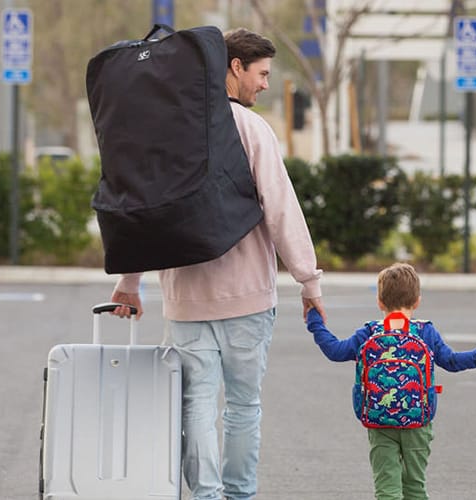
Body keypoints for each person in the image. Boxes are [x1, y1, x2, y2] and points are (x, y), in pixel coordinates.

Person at [110, 28, 326, 500]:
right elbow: (281, 207)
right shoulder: (249, 129)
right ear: (234, 67)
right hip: (248, 298)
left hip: (186, 299)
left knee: (196, 405)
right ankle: (239, 495)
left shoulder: (169, 127)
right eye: (262, 73)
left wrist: (130, 282)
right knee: (244, 407)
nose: (265, 84)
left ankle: (206, 495)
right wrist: (309, 283)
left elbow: (142, 207)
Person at [306, 262, 476, 500]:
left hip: (379, 422)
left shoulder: (369, 333)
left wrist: (314, 319)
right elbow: (453, 362)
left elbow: (335, 350)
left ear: (380, 302)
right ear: (417, 301)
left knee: (387, 490)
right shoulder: (425, 333)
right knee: (414, 488)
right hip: (417, 423)